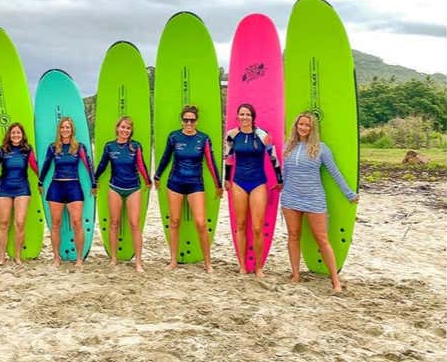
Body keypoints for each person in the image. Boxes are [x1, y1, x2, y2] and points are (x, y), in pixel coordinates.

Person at [281, 112, 359, 293]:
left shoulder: (321, 148)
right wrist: (281, 189)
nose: (303, 128)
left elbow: (334, 172)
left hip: (313, 198)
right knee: (293, 236)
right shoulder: (288, 147)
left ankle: (335, 281)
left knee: (322, 239)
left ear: (312, 128)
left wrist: (349, 194)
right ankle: (295, 274)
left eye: (307, 125)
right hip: (290, 197)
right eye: (301, 124)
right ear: (296, 126)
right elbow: (285, 173)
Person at [154, 105, 222, 272]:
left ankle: (208, 263)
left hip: (195, 184)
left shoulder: (203, 138)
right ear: (182, 121)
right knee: (174, 221)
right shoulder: (174, 137)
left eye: (192, 120)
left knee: (200, 223)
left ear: (196, 121)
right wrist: (157, 176)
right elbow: (165, 158)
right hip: (175, 182)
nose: (189, 123)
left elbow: (211, 162)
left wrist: (218, 184)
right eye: (186, 120)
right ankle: (173, 260)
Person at [224, 103, 282, 277]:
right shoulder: (232, 135)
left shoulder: (262, 135)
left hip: (258, 182)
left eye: (247, 114)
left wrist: (279, 179)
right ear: (237, 116)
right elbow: (229, 159)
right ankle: (242, 265)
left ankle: (258, 267)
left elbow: (273, 158)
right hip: (239, 182)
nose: (244, 117)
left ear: (252, 117)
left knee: (257, 227)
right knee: (240, 224)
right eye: (241, 114)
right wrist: (226, 180)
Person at [94, 116, 151, 272]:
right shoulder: (110, 146)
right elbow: (102, 165)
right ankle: (113, 259)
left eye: (128, 128)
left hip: (133, 188)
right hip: (115, 187)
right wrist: (94, 180)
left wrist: (148, 181)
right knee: (114, 223)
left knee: (134, 224)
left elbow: (141, 165)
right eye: (123, 127)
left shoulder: (135, 146)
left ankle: (138, 262)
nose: (125, 130)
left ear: (131, 131)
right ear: (117, 128)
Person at [38, 116, 96, 268]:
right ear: (59, 130)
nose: (65, 130)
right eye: (62, 127)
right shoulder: (53, 147)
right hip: (56, 187)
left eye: (67, 127)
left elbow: (88, 164)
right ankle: (56, 257)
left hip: (73, 187)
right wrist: (40, 181)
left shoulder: (79, 147)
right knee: (55, 224)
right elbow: (46, 164)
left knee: (77, 223)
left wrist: (94, 183)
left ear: (72, 130)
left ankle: (79, 258)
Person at [0, 122, 38, 266]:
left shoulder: (27, 150)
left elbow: (35, 166)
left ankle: (17, 256)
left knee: (20, 222)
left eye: (18, 132)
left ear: (22, 135)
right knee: (4, 223)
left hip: (22, 189)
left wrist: (43, 180)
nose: (16, 135)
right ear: (9, 135)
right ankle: (1, 257)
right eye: (13, 133)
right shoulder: (3, 149)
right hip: (4, 188)